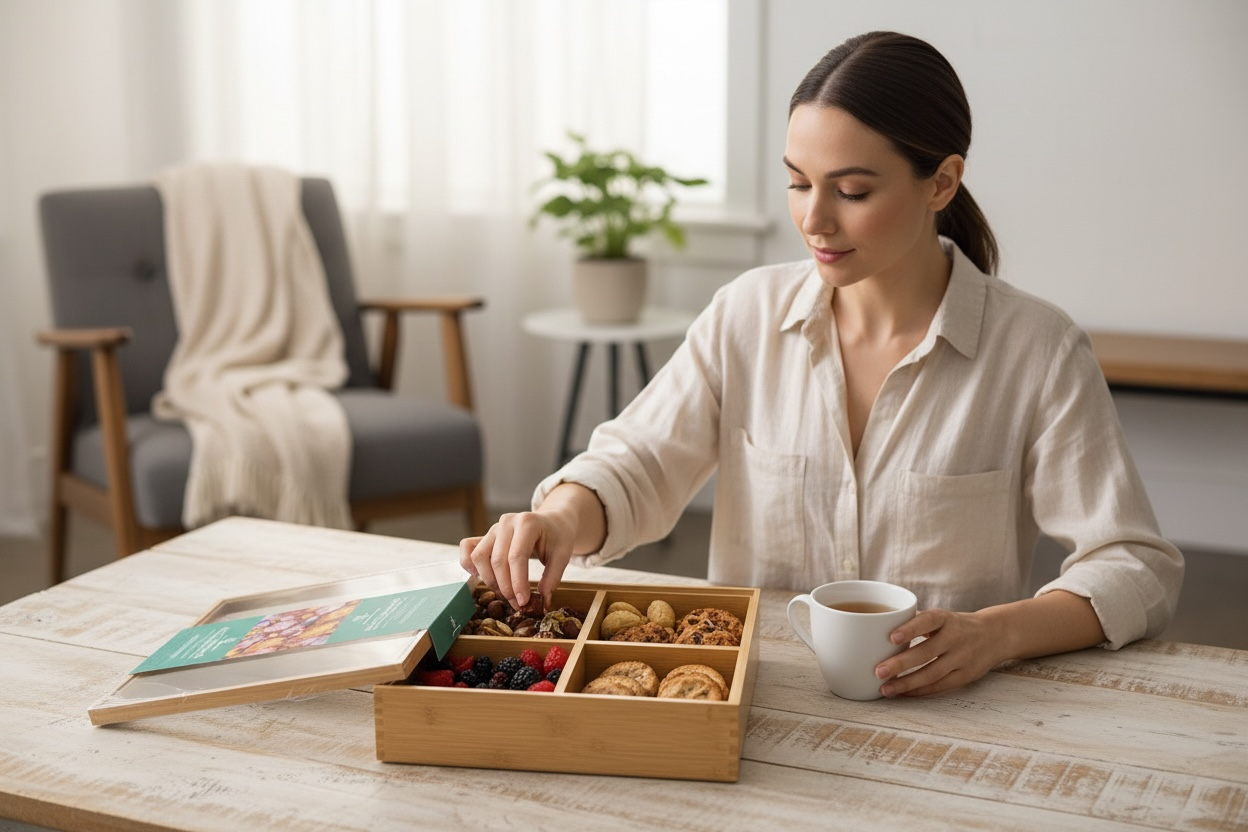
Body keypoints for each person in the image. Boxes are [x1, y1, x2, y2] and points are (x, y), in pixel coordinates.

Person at [461, 31, 1183, 697]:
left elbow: (1135, 564)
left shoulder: (1037, 349)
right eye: (799, 182)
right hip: (752, 702)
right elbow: (639, 463)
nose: (813, 219)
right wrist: (557, 520)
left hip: (950, 716)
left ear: (941, 183)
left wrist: (997, 634)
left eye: (852, 190)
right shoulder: (747, 313)